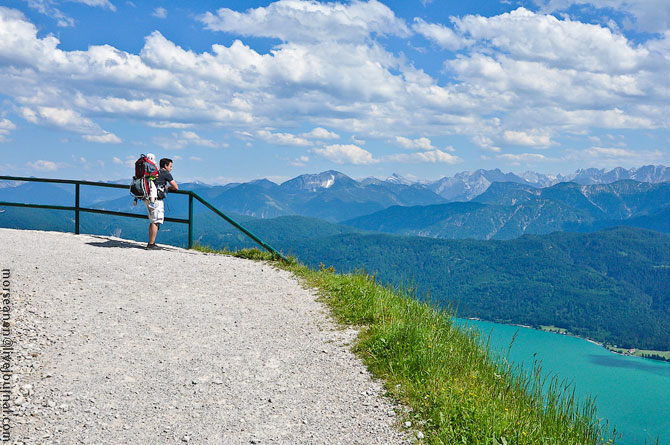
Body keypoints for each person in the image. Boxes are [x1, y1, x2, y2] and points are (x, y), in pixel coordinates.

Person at [145, 158, 178, 250]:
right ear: (165, 166)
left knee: (153, 220)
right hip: (156, 200)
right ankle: (151, 244)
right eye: (170, 166)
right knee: (155, 221)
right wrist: (168, 187)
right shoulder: (165, 173)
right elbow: (176, 187)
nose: (171, 168)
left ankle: (152, 242)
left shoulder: (155, 172)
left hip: (148, 198)